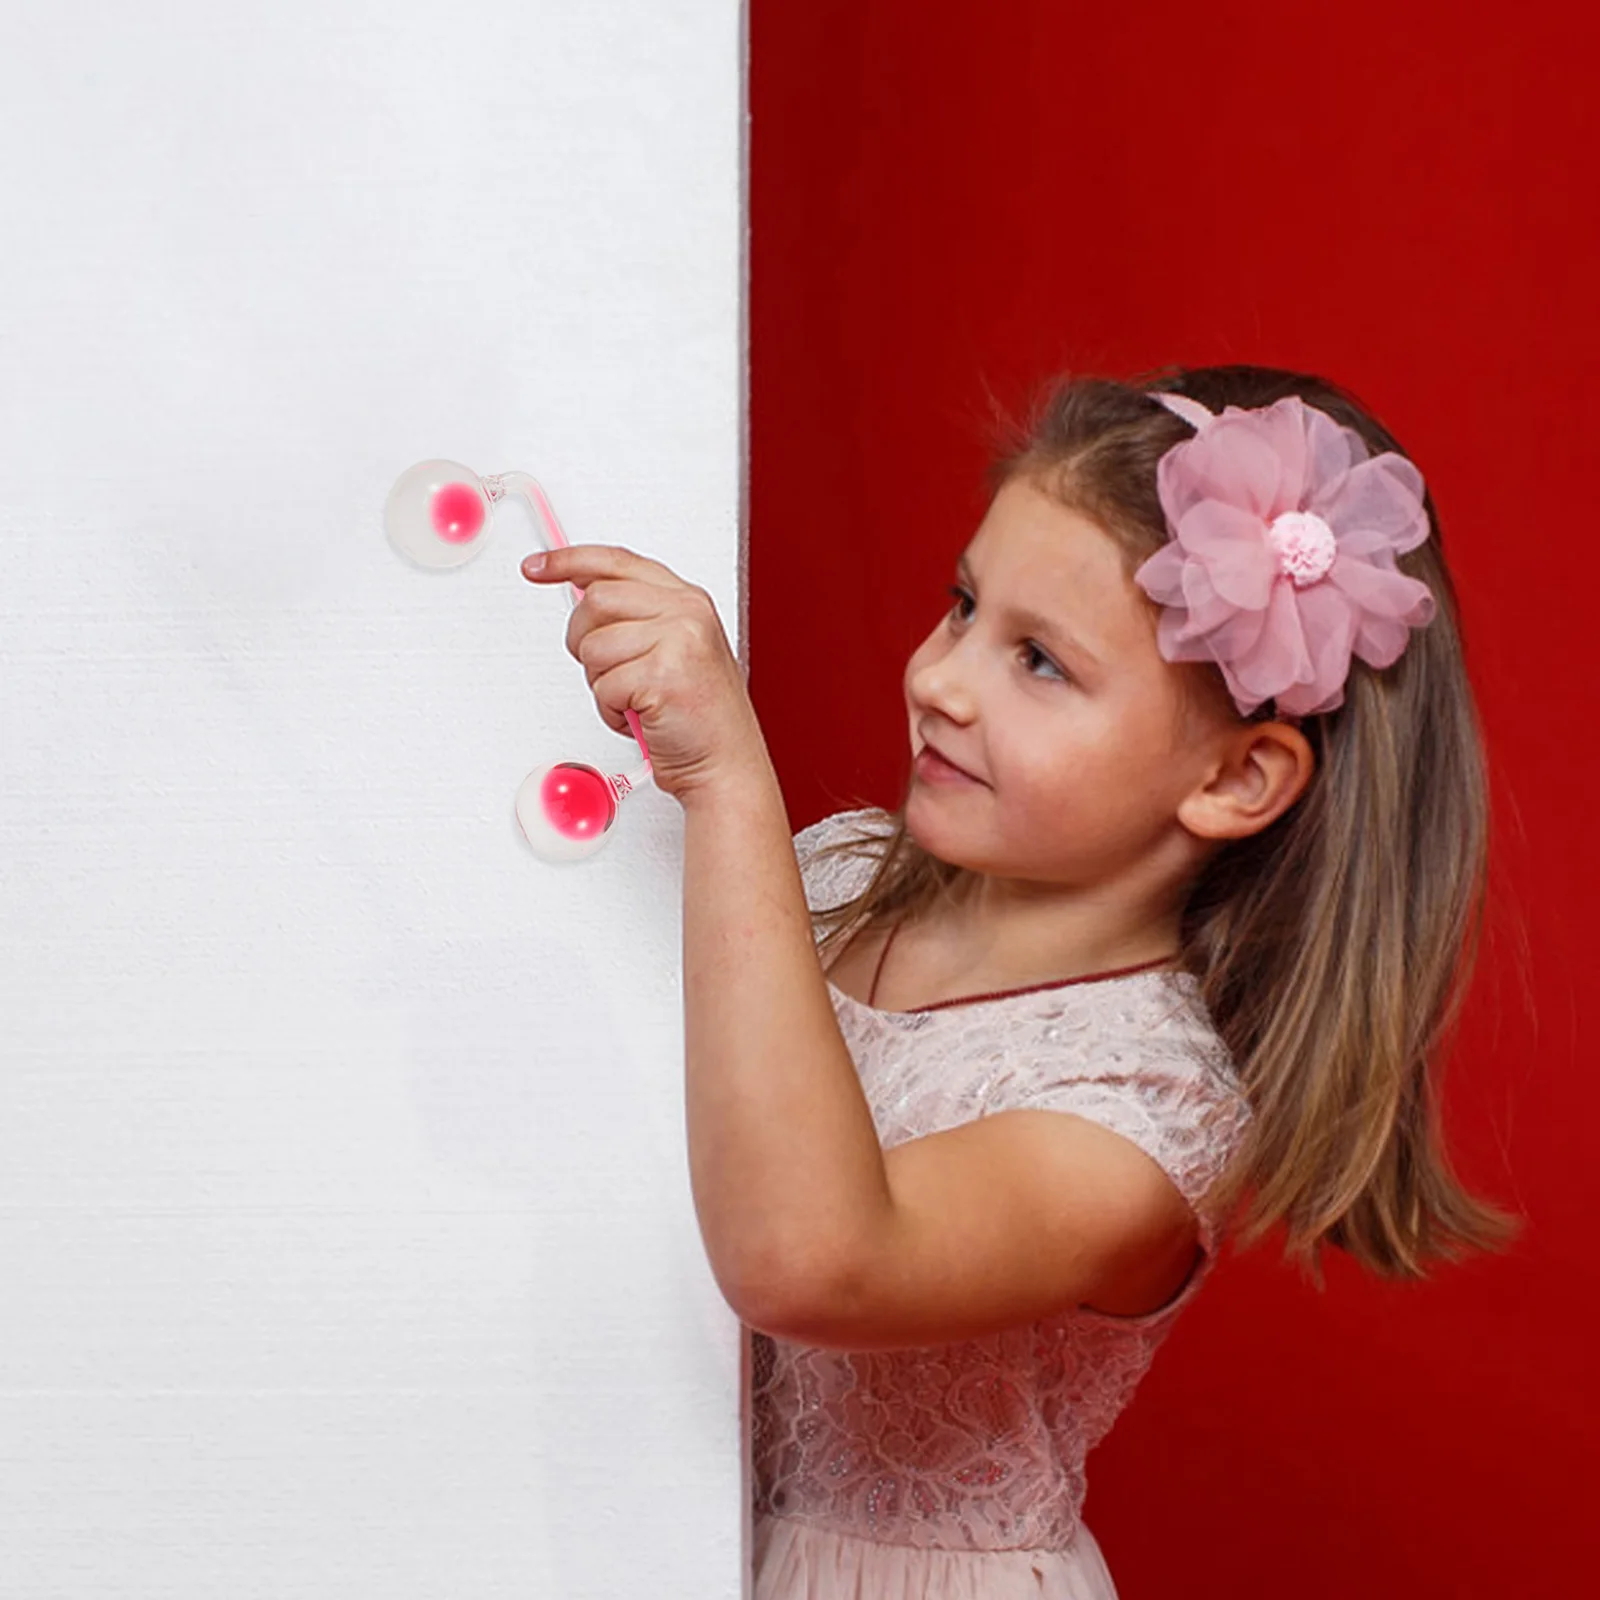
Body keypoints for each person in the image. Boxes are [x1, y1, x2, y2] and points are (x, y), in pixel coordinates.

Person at [521, 364, 1521, 1599]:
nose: (940, 679)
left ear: (1235, 781)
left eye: (1039, 661)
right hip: (642, 1529)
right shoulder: (830, 877)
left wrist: (729, 779)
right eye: (960, 606)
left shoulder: (1140, 1121)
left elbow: (810, 1258)